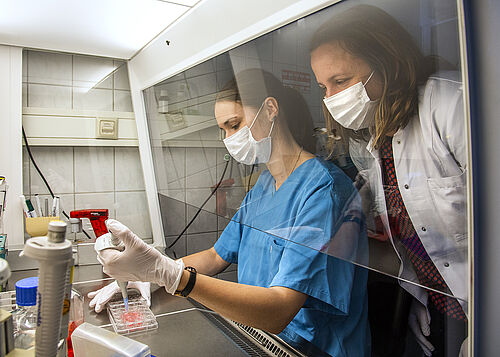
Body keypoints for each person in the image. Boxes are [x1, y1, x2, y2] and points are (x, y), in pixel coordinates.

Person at [90, 69, 370, 356]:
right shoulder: (264, 185)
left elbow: (280, 309)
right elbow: (216, 255)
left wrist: (172, 276)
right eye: (223, 130)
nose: (229, 139)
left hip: (312, 347)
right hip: (262, 334)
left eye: (234, 125)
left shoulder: (323, 189)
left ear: (270, 109)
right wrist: (149, 276)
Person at [309, 5, 468, 357]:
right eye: (323, 86)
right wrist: (422, 293)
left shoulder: (452, 105)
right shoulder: (374, 140)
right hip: (441, 303)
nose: (330, 99)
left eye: (341, 81)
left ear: (387, 61)